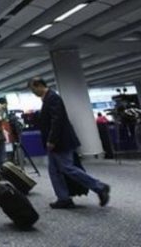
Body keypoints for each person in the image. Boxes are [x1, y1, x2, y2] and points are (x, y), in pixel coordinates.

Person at [28, 77, 110, 209]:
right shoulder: (47, 98)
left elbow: (57, 121)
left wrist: (51, 140)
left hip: (60, 141)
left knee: (67, 168)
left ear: (39, 86)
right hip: (55, 142)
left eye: (33, 89)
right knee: (54, 171)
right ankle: (63, 198)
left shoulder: (53, 98)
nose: (33, 93)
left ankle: (100, 187)